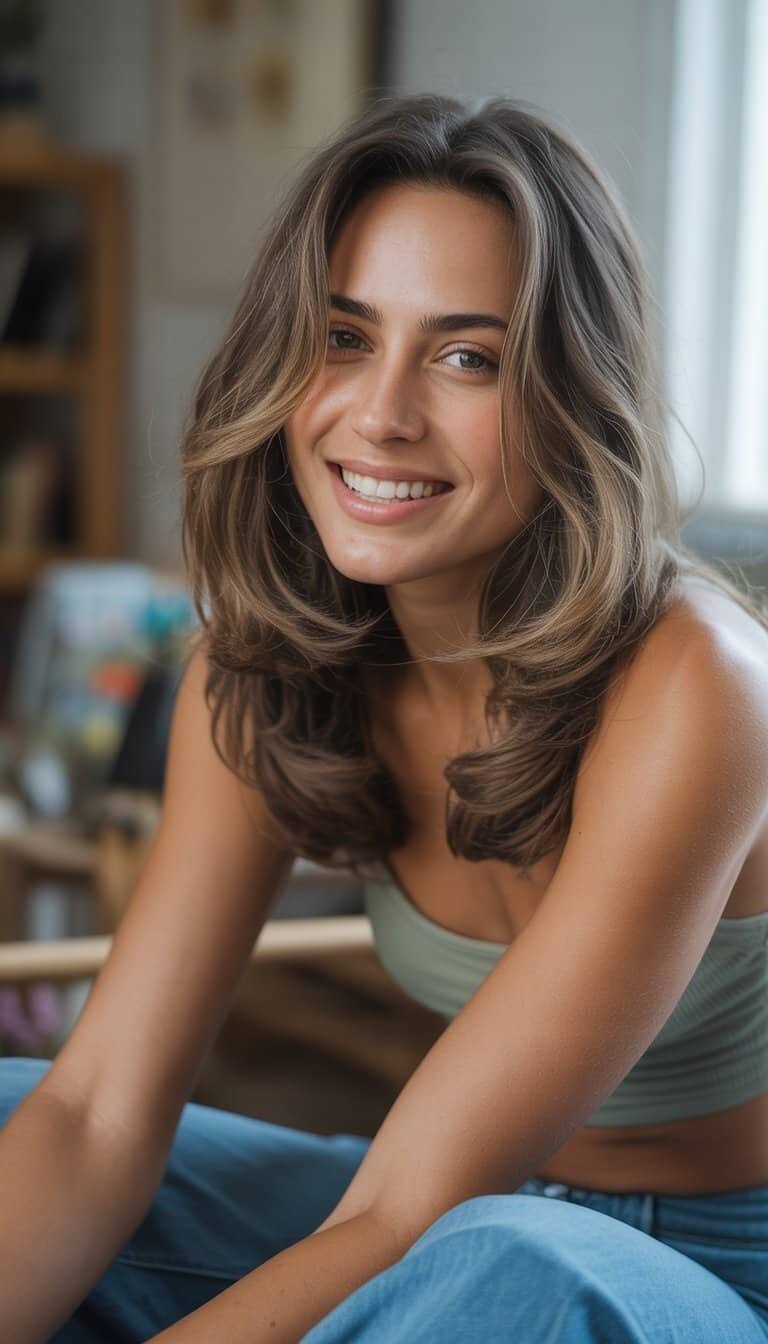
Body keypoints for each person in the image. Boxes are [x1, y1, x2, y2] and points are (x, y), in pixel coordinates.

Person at [2, 92, 768, 1344]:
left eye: (468, 358)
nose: (382, 413)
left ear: (572, 396)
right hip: (459, 1210)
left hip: (711, 1268)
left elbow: (414, 1212)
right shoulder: (258, 668)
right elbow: (100, 1114)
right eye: (344, 337)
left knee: (515, 1268)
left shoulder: (700, 687)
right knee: (22, 1116)